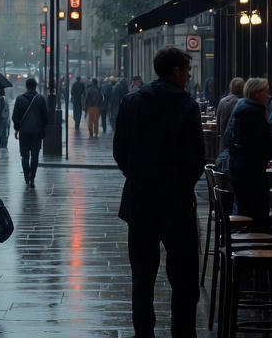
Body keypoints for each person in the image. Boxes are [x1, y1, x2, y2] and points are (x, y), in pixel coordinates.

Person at [113, 46, 204, 338]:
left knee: (142, 276)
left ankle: (144, 333)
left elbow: (120, 152)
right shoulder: (187, 106)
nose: (189, 77)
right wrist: (180, 184)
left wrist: (138, 176)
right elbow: (196, 160)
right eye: (187, 71)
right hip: (176, 202)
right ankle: (183, 331)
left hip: (140, 200)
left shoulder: (131, 102)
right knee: (183, 277)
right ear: (176, 71)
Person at [223, 77, 272, 231]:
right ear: (257, 94)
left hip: (242, 169)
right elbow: (260, 143)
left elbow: (230, 139)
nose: (269, 95)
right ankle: (257, 244)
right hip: (250, 172)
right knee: (256, 211)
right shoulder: (253, 112)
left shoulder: (242, 108)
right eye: (267, 92)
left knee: (247, 208)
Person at [12, 78, 50, 187]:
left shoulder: (19, 99)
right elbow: (45, 117)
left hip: (24, 132)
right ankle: (32, 177)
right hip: (37, 132)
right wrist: (42, 127)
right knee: (35, 156)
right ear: (35, 86)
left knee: (24, 156)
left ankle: (26, 176)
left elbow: (15, 117)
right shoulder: (40, 99)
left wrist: (17, 129)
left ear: (26, 86)